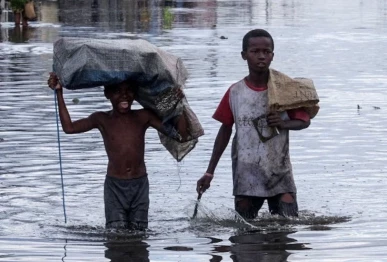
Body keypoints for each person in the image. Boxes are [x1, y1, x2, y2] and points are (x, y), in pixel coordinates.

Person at [48, 73, 189, 230]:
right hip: (114, 187)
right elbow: (69, 128)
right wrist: (59, 93)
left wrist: (179, 104)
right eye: (117, 91)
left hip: (140, 185)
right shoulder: (101, 119)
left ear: (135, 94)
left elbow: (180, 136)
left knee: (139, 234)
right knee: (116, 233)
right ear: (107, 94)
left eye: (129, 91)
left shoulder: (143, 116)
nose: (124, 96)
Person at [196, 29, 311, 219]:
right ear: (244, 55)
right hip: (246, 173)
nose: (261, 56)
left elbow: (304, 121)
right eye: (255, 51)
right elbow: (224, 132)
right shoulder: (235, 92)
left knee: (285, 230)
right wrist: (209, 172)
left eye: (266, 52)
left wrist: (284, 123)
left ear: (272, 56)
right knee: (245, 236)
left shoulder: (283, 90)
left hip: (279, 173)